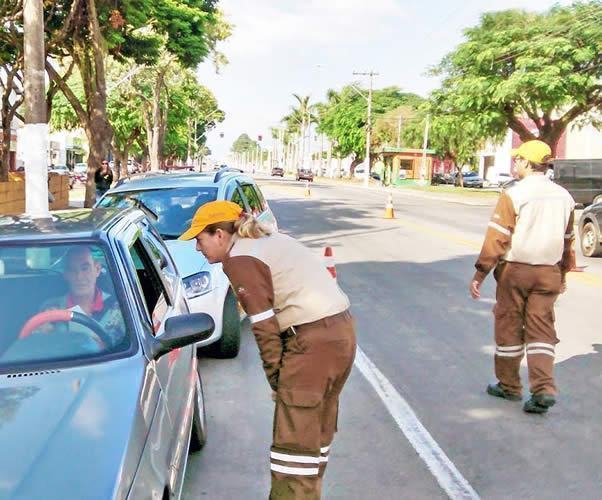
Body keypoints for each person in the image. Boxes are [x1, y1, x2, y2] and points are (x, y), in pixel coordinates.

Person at [179, 201, 356, 499]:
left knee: (293, 453)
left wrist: (279, 381)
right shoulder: (264, 240)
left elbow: (263, 327)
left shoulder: (241, 259)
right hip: (340, 335)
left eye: (200, 239)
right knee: (313, 442)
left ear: (220, 235)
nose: (198, 248)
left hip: (311, 344)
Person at [469, 140, 575, 414]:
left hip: (516, 272)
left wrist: (481, 273)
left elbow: (498, 238)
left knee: (509, 328)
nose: (515, 164)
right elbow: (567, 241)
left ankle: (509, 386)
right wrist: (562, 273)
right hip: (548, 273)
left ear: (528, 163)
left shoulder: (514, 194)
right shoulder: (564, 196)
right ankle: (544, 389)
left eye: (518, 160)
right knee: (542, 332)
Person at [38, 246, 125, 348]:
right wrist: (44, 336)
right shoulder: (51, 307)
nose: (79, 276)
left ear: (97, 269)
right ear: (65, 274)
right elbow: (38, 348)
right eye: (72, 269)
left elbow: (128, 350)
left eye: (85, 268)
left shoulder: (118, 308)